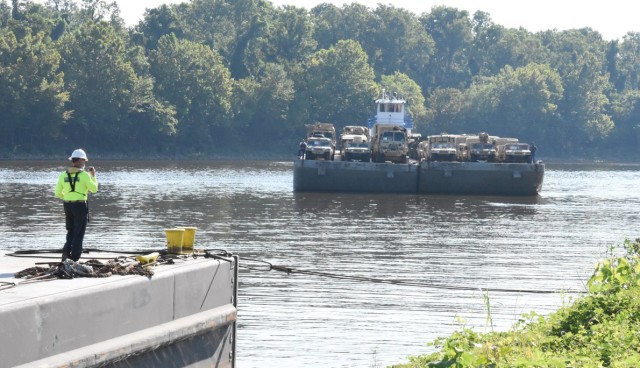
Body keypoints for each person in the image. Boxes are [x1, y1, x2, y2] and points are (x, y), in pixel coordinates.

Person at [55, 148, 98, 262]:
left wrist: (68, 197)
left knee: (71, 230)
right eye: (84, 161)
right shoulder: (84, 175)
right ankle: (74, 259)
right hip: (79, 206)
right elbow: (94, 189)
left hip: (67, 205)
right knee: (79, 232)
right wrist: (93, 176)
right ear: (79, 161)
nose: (84, 163)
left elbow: (57, 193)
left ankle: (65, 253)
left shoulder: (63, 175)